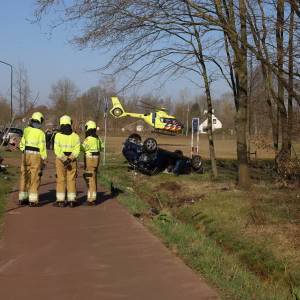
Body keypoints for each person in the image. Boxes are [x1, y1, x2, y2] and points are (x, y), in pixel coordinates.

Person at [19, 112, 47, 207]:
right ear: (40, 121)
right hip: (36, 156)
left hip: (25, 155)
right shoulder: (41, 133)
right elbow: (42, 147)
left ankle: (22, 198)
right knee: (35, 177)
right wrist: (44, 158)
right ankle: (33, 200)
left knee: (24, 176)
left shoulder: (26, 130)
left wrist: (24, 150)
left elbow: (22, 144)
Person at [54, 115, 80, 207]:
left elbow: (56, 149)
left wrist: (64, 159)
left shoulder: (57, 136)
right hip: (72, 160)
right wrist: (69, 159)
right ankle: (72, 200)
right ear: (70, 123)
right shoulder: (76, 136)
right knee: (71, 179)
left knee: (60, 179)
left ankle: (60, 201)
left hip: (60, 160)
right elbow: (77, 150)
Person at [82, 120, 104, 205]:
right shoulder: (98, 138)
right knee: (93, 177)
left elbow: (83, 148)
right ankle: (92, 197)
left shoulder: (88, 139)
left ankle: (91, 200)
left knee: (89, 177)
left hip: (89, 159)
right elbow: (102, 147)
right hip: (97, 158)